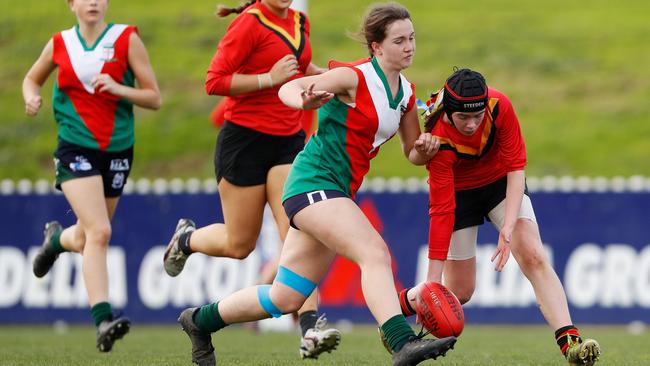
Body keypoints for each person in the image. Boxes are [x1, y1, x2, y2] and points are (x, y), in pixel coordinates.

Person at [176, 3, 456, 365]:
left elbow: (412, 153)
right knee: (374, 253)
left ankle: (199, 322)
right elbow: (289, 90)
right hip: (312, 183)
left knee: (286, 297)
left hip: (334, 191)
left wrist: (426, 147)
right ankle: (402, 342)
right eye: (399, 40)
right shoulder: (352, 78)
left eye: (412, 38)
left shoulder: (404, 92)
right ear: (376, 46)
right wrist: (304, 97)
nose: (409, 46)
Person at [162, 0, 338, 360]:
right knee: (239, 244)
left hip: (288, 141)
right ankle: (187, 238)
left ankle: (310, 331)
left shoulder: (300, 21)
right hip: (243, 143)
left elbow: (303, 68)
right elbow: (214, 81)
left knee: (298, 231)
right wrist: (268, 80)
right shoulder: (247, 24)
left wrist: (332, 83)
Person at [396, 68, 601, 365]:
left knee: (532, 253)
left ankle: (571, 344)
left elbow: (516, 167)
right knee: (461, 292)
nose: (471, 124)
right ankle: (394, 308)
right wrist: (432, 284)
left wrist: (507, 227)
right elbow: (441, 210)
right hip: (459, 193)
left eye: (476, 116)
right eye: (463, 118)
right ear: (449, 112)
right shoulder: (437, 135)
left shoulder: (499, 105)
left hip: (501, 184)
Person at [22, 0, 161, 353]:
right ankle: (103, 319)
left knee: (88, 236)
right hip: (75, 145)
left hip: (117, 149)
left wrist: (118, 89)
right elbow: (32, 78)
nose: (94, 2)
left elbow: (153, 97)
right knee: (100, 232)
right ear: (71, 4)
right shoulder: (59, 43)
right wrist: (31, 97)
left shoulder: (126, 39)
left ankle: (55, 242)